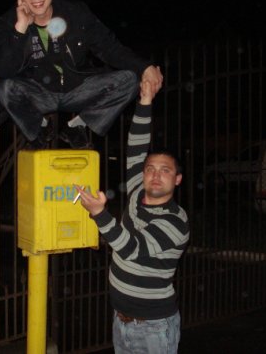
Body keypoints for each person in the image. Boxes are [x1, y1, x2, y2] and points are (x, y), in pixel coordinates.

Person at [0, 0, 163, 149]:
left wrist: (144, 67)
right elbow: (2, 70)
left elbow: (109, 47)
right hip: (38, 92)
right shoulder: (9, 22)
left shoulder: (75, 12)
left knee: (129, 79)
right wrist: (20, 29)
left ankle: (76, 126)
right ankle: (40, 127)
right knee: (4, 88)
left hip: (77, 88)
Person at [75, 80, 190, 353]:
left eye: (165, 170)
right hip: (120, 319)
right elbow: (136, 145)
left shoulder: (176, 221)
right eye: (150, 169)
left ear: (177, 179)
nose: (155, 175)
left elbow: (131, 248)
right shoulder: (137, 191)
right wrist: (145, 101)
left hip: (154, 327)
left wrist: (99, 214)